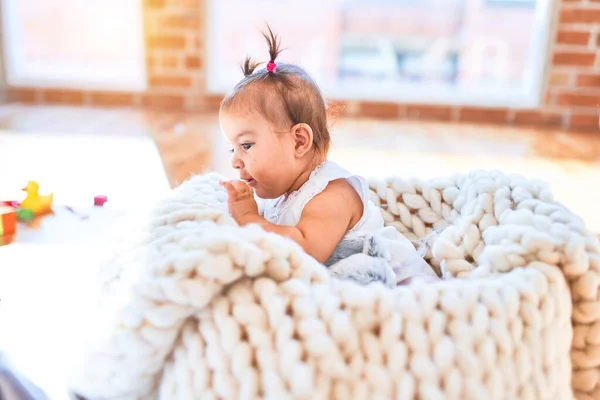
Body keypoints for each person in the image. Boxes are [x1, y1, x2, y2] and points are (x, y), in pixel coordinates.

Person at [219, 26, 438, 286]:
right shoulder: (282, 197)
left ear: (299, 141)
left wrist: (248, 219)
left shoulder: (332, 194)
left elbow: (304, 251)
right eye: (232, 148)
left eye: (246, 145)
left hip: (403, 284)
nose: (235, 161)